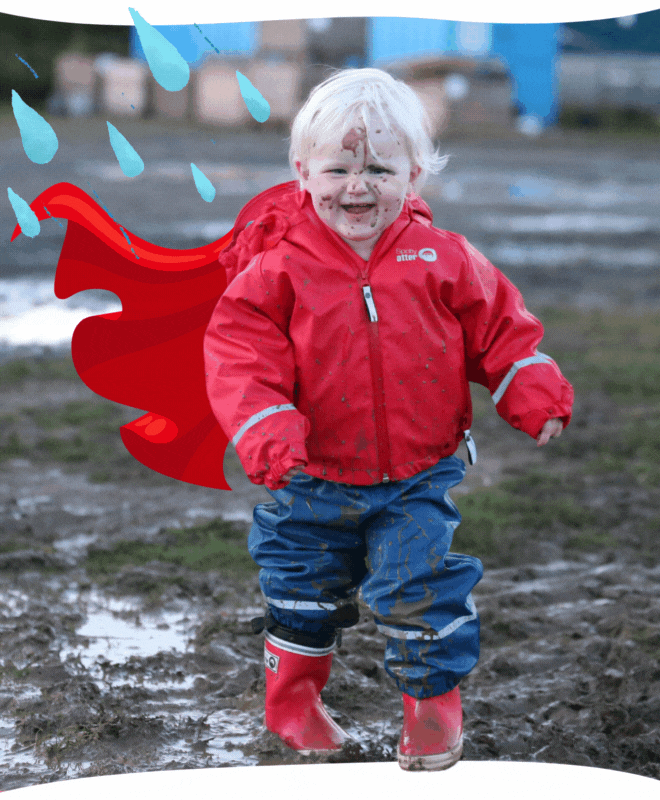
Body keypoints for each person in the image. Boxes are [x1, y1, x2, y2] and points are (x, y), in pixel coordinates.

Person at [203, 68, 573, 770]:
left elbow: (504, 332)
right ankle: (294, 704)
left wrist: (529, 387)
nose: (357, 186)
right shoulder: (276, 268)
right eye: (339, 167)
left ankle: (432, 715)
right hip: (309, 476)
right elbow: (239, 355)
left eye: (379, 168)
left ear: (415, 174)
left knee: (422, 589)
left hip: (415, 474)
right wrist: (266, 424)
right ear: (303, 170)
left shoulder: (446, 259)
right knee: (300, 595)